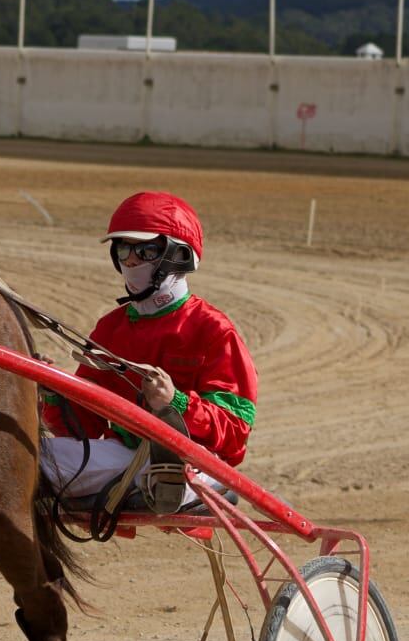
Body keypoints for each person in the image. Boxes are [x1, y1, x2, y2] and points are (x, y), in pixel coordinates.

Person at [40, 191, 257, 513]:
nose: (130, 259)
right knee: (22, 457)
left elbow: (235, 432)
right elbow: (84, 429)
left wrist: (175, 403)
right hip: (125, 457)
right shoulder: (110, 328)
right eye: (124, 248)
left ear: (178, 255)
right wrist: (53, 392)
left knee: (164, 476)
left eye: (145, 249)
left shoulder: (213, 330)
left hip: (193, 462)